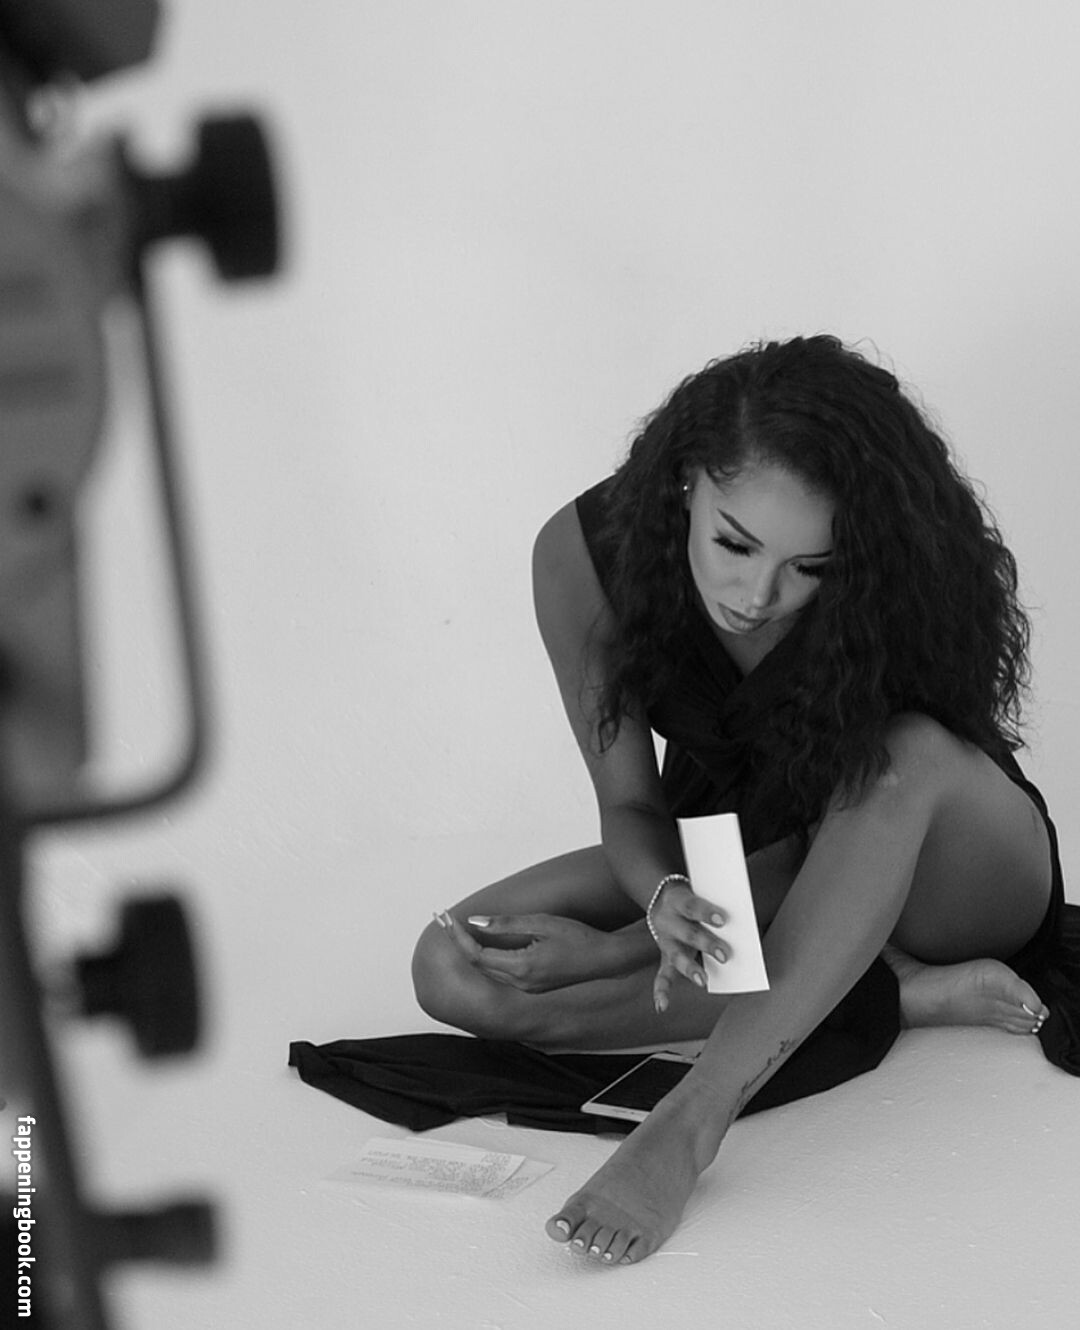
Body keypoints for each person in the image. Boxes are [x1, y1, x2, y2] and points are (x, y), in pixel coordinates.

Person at [410, 335, 1071, 1267]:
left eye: (810, 567)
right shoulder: (580, 559)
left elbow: (828, 843)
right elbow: (631, 809)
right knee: (448, 964)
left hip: (947, 864)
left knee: (902, 759)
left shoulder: (892, 584)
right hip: (733, 851)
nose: (760, 595)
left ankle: (689, 1124)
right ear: (685, 481)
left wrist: (626, 946)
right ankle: (888, 993)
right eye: (734, 543)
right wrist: (661, 901)